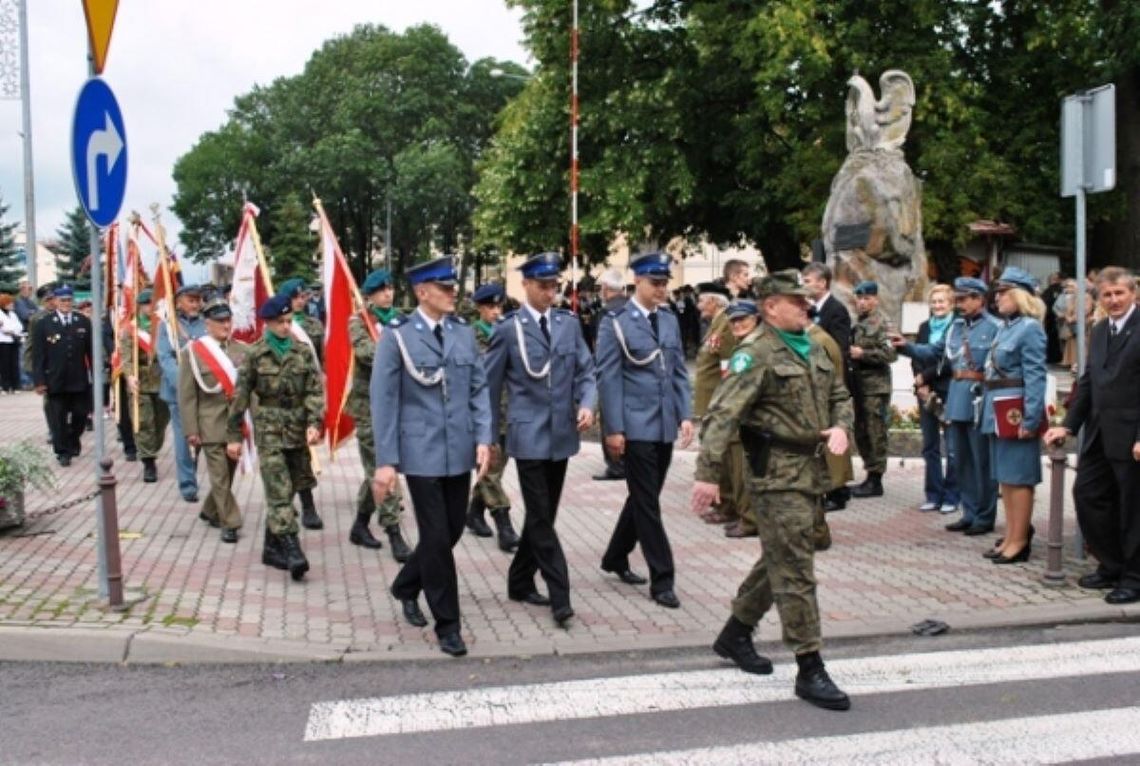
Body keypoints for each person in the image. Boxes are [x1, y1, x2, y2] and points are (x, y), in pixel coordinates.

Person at [691, 269, 854, 711]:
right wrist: (707, 474)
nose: (805, 306)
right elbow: (722, 414)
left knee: (786, 553)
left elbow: (841, 394)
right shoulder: (755, 354)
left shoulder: (814, 346)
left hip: (811, 468)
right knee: (796, 568)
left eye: (806, 300)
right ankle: (810, 666)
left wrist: (840, 427)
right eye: (795, 300)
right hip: (775, 473)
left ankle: (736, 632)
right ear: (770, 306)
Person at [370, 256, 492, 657]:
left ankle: (406, 585)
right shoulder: (397, 336)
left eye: (452, 286)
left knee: (453, 530)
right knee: (437, 538)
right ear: (423, 292)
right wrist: (386, 461)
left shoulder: (462, 333)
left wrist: (484, 437)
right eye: (444, 287)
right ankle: (448, 624)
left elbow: (478, 388)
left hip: (458, 449)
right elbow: (384, 401)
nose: (452, 293)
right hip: (419, 450)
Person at [485, 252, 597, 628]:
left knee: (542, 515)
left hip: (562, 434)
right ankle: (560, 595)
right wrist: (487, 437)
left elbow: (586, 370)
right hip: (528, 434)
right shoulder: (508, 329)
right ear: (527, 286)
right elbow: (489, 386)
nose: (552, 293)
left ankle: (518, 581)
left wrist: (587, 403)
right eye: (545, 286)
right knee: (542, 521)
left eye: (556, 286)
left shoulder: (567, 324)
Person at [596, 252, 694, 609]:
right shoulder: (616, 322)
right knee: (649, 503)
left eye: (665, 283)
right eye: (655, 283)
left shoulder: (668, 320)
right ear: (637, 281)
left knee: (643, 495)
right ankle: (662, 578)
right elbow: (608, 378)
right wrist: (614, 428)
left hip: (664, 422)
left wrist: (685, 413)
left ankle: (615, 556)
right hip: (634, 425)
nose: (662, 289)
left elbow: (679, 370)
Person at [1046, 267, 1140, 604]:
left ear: (1133, 294)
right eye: (1107, 295)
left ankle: (1134, 577)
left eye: (1120, 293)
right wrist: (1068, 424)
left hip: (1132, 437)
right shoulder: (1099, 330)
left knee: (1133, 509)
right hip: (1100, 433)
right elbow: (1087, 383)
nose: (1114, 300)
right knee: (1088, 495)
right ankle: (1112, 565)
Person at [893, 277, 1001, 536]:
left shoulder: (995, 327)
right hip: (957, 398)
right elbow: (933, 352)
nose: (960, 304)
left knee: (981, 460)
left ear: (980, 299)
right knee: (960, 457)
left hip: (980, 397)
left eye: (964, 299)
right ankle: (969, 512)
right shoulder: (956, 328)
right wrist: (905, 347)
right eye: (959, 299)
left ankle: (985, 516)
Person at [227, 294, 323, 579]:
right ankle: (293, 550)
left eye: (289, 321)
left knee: (292, 486)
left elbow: (314, 391)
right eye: (280, 322)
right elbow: (240, 396)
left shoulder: (303, 351)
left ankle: (271, 548)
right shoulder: (255, 354)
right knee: (279, 493)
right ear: (267, 323)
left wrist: (315, 422)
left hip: (297, 430)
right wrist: (234, 435)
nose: (286, 326)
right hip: (269, 430)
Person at [981, 267, 1047, 564]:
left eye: (1004, 292)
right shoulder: (1007, 327)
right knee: (1005, 477)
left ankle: (1019, 541)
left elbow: (1035, 376)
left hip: (1015, 410)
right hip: (999, 407)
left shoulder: (1030, 328)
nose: (997, 298)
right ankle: (1010, 535)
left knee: (1019, 477)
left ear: (1020, 295)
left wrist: (1031, 419)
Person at [345, 269, 411, 561]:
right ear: (369, 295)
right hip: (369, 406)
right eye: (381, 290)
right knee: (384, 466)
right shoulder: (358, 321)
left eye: (390, 288)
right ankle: (394, 533)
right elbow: (367, 353)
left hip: (398, 403)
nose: (388, 294)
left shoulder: (403, 319)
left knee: (377, 471)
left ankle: (360, 524)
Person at [180, 299, 250, 543]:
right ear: (207, 323)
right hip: (210, 424)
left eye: (228, 319)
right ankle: (230, 522)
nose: (226, 325)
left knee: (228, 475)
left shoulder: (242, 350)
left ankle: (210, 510)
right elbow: (187, 395)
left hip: (236, 425)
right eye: (220, 321)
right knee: (219, 476)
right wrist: (191, 429)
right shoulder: (193, 352)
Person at [465, 282, 521, 552]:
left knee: (495, 468)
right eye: (490, 307)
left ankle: (474, 513)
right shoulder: (472, 337)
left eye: (499, 306)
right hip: (486, 414)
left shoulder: (509, 333)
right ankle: (504, 525)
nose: (496, 312)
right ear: (479, 308)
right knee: (489, 469)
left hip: (509, 412)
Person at [692, 283, 743, 530]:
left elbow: (727, 366)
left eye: (703, 301)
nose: (699, 305)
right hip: (709, 399)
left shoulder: (726, 325)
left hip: (718, 399)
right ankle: (722, 502)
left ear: (714, 302)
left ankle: (728, 504)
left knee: (721, 454)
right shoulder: (717, 323)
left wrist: (723, 401)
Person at [803, 262, 853, 511]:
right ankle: (831, 486)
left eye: (808, 280)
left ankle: (838, 489)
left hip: (831, 380)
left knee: (835, 433)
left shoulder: (836, 310)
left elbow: (839, 348)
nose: (805, 285)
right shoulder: (813, 311)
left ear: (823, 282)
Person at [277, 278, 325, 530]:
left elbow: (321, 362)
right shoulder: (275, 326)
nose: (301, 300)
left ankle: (308, 508)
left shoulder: (313, 325)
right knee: (279, 460)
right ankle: (283, 505)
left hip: (303, 398)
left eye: (303, 296)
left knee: (302, 457)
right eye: (296, 297)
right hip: (277, 405)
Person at [911, 284, 960, 513]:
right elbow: (915, 355)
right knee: (930, 446)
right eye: (934, 302)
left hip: (949, 389)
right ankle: (933, 494)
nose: (938, 306)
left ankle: (952, 496)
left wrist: (925, 376)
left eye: (942, 301)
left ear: (951, 304)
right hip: (925, 391)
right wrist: (919, 382)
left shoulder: (956, 327)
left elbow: (950, 360)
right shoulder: (924, 327)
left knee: (952, 447)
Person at [32, 285, 92, 466]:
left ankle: (73, 438)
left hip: (78, 379)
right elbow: (39, 355)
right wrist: (40, 381)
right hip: (55, 380)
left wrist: (96, 376)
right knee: (58, 419)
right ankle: (63, 452)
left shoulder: (82, 321)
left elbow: (91, 352)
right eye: (62, 300)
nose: (66, 303)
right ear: (55, 301)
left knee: (81, 415)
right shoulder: (44, 323)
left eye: (68, 300)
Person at [157, 284, 206, 502]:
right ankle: (188, 484)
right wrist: (184, 385)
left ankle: (201, 472)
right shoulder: (168, 327)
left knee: (206, 436)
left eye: (197, 300)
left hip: (206, 390)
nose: (195, 304)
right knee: (184, 438)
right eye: (190, 300)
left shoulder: (207, 323)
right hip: (179, 392)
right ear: (178, 302)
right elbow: (166, 358)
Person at [848, 281, 896, 497]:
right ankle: (869, 474)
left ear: (876, 299)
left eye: (867, 298)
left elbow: (891, 353)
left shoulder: (883, 322)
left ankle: (876, 479)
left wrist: (863, 354)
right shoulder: (857, 322)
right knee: (861, 431)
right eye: (859, 298)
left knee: (875, 432)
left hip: (876, 387)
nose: (862, 302)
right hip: (859, 385)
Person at [720, 300, 761, 539]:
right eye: (733, 320)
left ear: (755, 318)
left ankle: (750, 520)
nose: (737, 324)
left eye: (742, 319)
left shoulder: (749, 349)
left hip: (747, 420)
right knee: (740, 470)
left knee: (744, 472)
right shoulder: (743, 345)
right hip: (745, 420)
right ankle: (746, 517)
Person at [122, 290, 168, 481]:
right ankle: (149, 462)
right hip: (141, 381)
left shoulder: (165, 325)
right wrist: (130, 375)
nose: (151, 307)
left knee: (160, 422)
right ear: (140, 306)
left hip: (162, 379)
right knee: (144, 422)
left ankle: (153, 449)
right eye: (147, 304)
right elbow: (126, 356)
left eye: (153, 303)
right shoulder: (131, 329)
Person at [592, 269, 628, 481]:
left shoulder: (607, 312)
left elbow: (601, 346)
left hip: (612, 372)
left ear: (606, 289)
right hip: (630, 375)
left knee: (609, 419)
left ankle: (615, 466)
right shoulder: (632, 306)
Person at [0, 286, 23, 393]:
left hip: (13, 341)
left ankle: (16, 386)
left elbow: (19, 327)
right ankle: (5, 386)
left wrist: (12, 331)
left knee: (15, 364)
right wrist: (10, 330)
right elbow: (4, 329)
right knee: (5, 365)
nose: (12, 305)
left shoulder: (13, 314)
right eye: (10, 303)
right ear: (4, 304)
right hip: (3, 342)